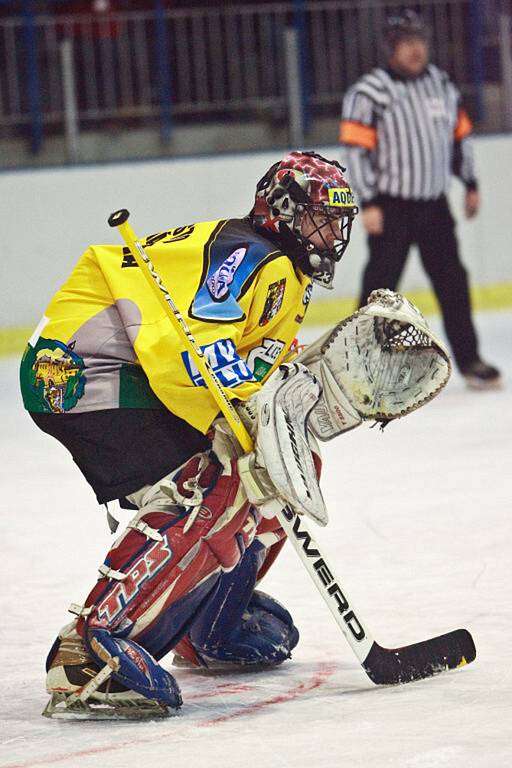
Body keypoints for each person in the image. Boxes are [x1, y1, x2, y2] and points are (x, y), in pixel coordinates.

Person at [19, 151, 360, 718]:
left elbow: (252, 361)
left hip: (118, 368)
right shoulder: (250, 256)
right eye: (320, 218)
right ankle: (91, 648)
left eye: (337, 222)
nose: (331, 235)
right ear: (282, 210)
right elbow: (189, 352)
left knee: (279, 464)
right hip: (82, 370)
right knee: (211, 483)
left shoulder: (284, 273)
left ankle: (203, 622)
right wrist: (226, 420)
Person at [339, 9, 501, 390]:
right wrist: (370, 201)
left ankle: (470, 359)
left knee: (453, 282)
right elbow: (356, 151)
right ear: (391, 49)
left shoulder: (441, 85)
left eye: (420, 42)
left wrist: (471, 181)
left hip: (434, 205)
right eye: (406, 43)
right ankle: (357, 362)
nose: (416, 50)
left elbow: (460, 137)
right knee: (380, 285)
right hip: (392, 206)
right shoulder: (370, 91)